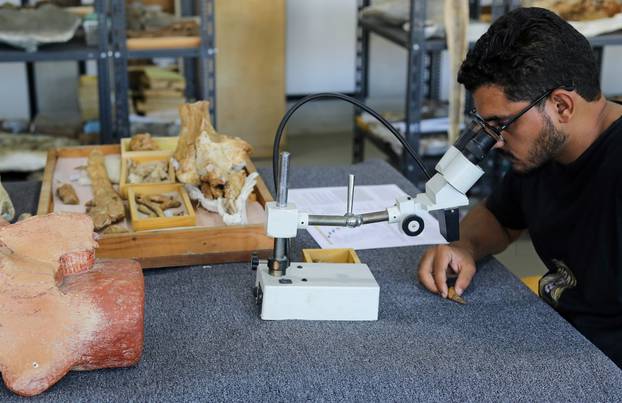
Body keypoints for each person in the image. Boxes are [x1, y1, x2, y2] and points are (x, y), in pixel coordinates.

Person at [417, 7, 622, 368]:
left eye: (501, 123)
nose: (494, 141)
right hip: (561, 332)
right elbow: (501, 216)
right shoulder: (544, 151)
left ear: (561, 105)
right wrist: (465, 245)